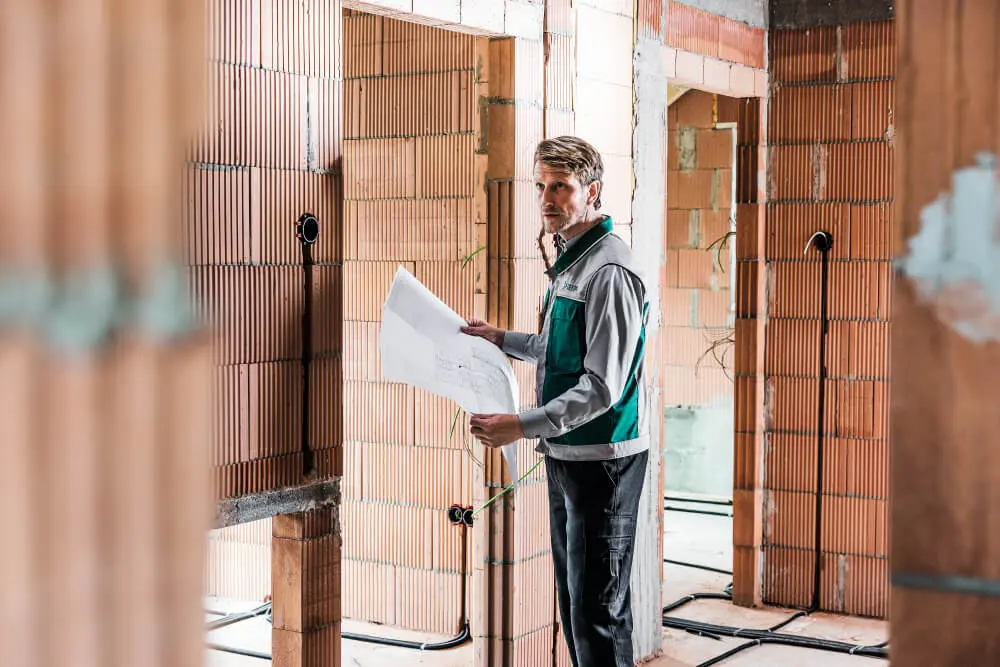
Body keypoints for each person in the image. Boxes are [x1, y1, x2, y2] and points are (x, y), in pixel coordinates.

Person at [461, 135, 650, 667]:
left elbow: (602, 385)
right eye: (541, 186)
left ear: (592, 191)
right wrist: (502, 339)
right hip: (568, 457)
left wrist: (521, 425)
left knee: (597, 615)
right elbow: (557, 348)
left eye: (561, 187)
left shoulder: (608, 271)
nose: (547, 199)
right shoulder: (573, 259)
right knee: (576, 607)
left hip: (603, 464)